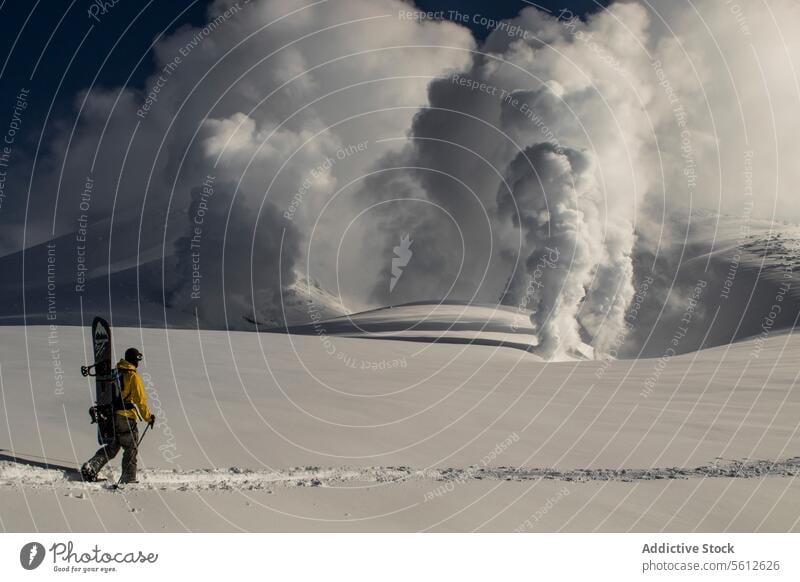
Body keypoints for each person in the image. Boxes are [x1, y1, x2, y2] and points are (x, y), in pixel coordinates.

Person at [81, 348, 155, 483]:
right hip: (126, 417)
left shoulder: (116, 372)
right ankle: (128, 478)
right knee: (130, 448)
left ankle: (91, 467)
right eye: (137, 360)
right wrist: (148, 417)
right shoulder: (133, 376)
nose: (138, 363)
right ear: (133, 360)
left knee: (113, 447)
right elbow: (140, 400)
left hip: (112, 416)